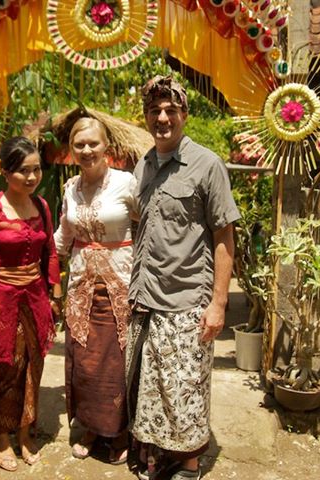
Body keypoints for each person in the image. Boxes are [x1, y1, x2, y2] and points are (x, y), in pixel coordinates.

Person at [126, 76, 240, 480]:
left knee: (185, 389)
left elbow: (225, 236)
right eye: (155, 110)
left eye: (171, 110)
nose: (162, 117)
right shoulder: (143, 165)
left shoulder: (207, 165)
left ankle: (189, 465)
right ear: (146, 117)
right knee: (154, 388)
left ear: (184, 114)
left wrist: (219, 303)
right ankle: (160, 456)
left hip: (188, 299)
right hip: (147, 299)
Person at [0, 136, 62, 473]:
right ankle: (1, 439)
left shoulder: (42, 206)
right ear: (6, 172)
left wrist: (55, 294)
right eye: (23, 170)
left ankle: (25, 432)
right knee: (2, 371)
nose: (32, 177)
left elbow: (49, 251)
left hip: (35, 299)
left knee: (32, 368)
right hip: (2, 301)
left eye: (36, 169)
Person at [54, 117, 135, 465]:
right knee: (85, 361)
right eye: (79, 145)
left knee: (116, 361)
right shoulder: (70, 187)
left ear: (107, 148)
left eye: (93, 144)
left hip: (121, 283)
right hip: (81, 287)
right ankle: (90, 426)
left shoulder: (127, 183)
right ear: (71, 151)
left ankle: (118, 432)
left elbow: (147, 228)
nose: (87, 151)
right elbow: (63, 236)